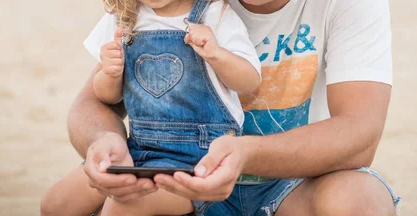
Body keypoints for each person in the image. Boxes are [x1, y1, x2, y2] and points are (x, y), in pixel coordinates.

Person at [41, 0, 402, 215]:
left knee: (360, 201)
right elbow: (92, 100)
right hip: (176, 174)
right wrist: (104, 141)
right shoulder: (168, 7)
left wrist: (245, 155)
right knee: (70, 203)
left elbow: (360, 134)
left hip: (292, 186)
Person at [42, 0, 261, 215]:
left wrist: (216, 54)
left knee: (124, 206)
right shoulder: (124, 18)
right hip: (138, 150)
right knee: (56, 203)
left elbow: (249, 82)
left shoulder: (214, 15)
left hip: (200, 160)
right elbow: (107, 96)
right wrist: (110, 74)